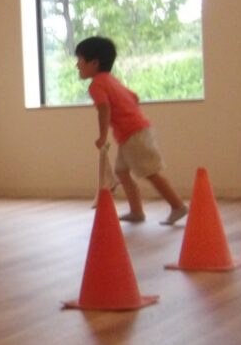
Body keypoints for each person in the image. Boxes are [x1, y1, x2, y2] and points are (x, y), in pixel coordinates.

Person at [75, 36, 188, 225]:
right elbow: (134, 97)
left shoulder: (96, 85)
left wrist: (102, 136)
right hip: (134, 133)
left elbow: (104, 109)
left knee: (150, 172)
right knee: (121, 171)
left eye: (79, 60)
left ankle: (178, 206)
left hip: (134, 134)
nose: (77, 65)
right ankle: (136, 211)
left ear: (94, 63)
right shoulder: (110, 80)